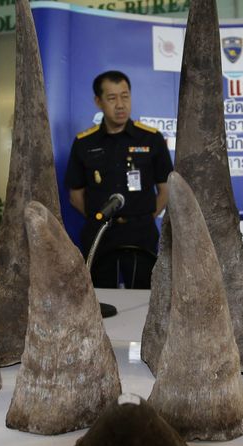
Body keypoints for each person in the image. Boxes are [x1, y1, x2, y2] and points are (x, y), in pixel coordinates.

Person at [64, 70, 172, 288]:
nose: (120, 104)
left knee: (144, 298)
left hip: (140, 232)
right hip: (100, 234)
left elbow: (166, 190)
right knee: (99, 299)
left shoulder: (151, 138)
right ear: (98, 101)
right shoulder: (84, 143)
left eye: (125, 96)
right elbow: (76, 196)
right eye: (112, 98)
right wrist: (99, 218)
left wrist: (144, 216)